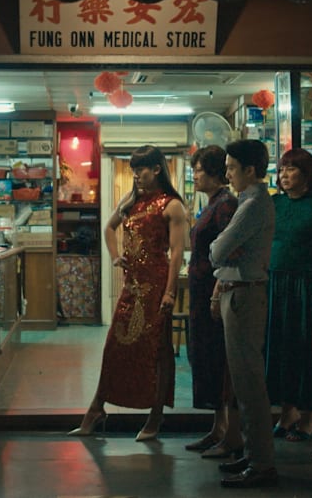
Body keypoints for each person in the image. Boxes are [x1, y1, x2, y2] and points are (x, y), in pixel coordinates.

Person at [69, 146, 187, 441]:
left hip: (156, 286)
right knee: (114, 346)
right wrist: (114, 256)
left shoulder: (172, 205)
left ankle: (155, 416)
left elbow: (176, 254)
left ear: (156, 169)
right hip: (131, 286)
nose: (136, 175)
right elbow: (109, 228)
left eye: (141, 169)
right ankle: (97, 408)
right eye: (133, 169)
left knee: (157, 351)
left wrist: (169, 293)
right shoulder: (131, 200)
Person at [209, 139, 278, 488]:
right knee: (243, 381)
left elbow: (218, 249)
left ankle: (262, 462)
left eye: (232, 168)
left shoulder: (252, 205)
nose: (228, 175)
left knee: (249, 383)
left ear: (250, 170)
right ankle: (253, 455)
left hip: (244, 295)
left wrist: (219, 248)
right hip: (237, 291)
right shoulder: (248, 202)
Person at [266, 148, 312, 441]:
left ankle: (310, 413)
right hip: (276, 282)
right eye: (281, 169)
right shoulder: (275, 203)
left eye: (291, 169)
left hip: (306, 285)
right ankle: (287, 410)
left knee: (305, 347)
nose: (284, 175)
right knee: (279, 347)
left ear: (307, 174)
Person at [183, 145, 242, 457]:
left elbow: (229, 253)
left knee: (220, 359)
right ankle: (218, 428)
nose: (195, 175)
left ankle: (230, 433)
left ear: (216, 172)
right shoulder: (212, 203)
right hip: (201, 291)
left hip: (213, 292)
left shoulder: (225, 205)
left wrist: (217, 291)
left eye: (199, 170)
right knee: (206, 357)